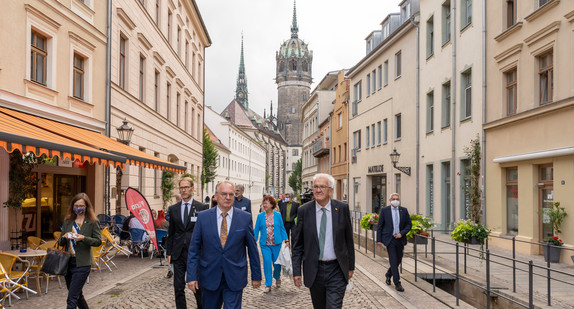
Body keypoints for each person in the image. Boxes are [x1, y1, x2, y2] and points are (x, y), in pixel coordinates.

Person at [187, 181, 262, 308]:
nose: (228, 197)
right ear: (215, 196)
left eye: (231, 194)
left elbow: (253, 249)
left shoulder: (244, 218)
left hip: (235, 276)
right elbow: (194, 249)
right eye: (224, 194)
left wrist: (256, 276)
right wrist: (191, 276)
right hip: (209, 276)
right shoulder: (203, 217)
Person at [292, 173, 355, 309]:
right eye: (315, 187)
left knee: (333, 306)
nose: (318, 190)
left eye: (322, 187)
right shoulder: (304, 211)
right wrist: (296, 272)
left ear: (330, 190)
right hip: (315, 270)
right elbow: (297, 245)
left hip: (336, 269)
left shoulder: (342, 209)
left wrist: (351, 266)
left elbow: (348, 240)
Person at [165, 177, 207, 309]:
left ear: (192, 189)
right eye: (181, 188)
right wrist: (169, 251)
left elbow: (206, 233)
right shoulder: (173, 209)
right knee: (178, 287)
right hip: (178, 253)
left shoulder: (202, 207)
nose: (183, 190)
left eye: (186, 187)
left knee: (197, 286)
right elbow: (171, 233)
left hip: (195, 253)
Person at [58, 193, 102, 309]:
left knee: (72, 298)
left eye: (81, 205)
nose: (78, 208)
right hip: (68, 263)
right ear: (72, 206)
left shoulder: (92, 221)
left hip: (82, 264)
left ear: (86, 206)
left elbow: (98, 241)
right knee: (78, 295)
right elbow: (60, 243)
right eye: (76, 205)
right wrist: (64, 237)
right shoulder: (68, 221)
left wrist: (83, 238)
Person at [376, 193, 412, 292]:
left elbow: (409, 224)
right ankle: (397, 283)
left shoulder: (403, 210)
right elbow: (380, 226)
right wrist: (378, 239)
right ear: (390, 200)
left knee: (398, 261)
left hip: (400, 239)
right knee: (393, 260)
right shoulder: (384, 210)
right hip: (389, 239)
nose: (395, 200)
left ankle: (388, 274)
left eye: (397, 199)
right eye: (393, 199)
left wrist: (402, 233)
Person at [254, 195, 289, 293]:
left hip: (277, 244)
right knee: (267, 263)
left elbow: (282, 228)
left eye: (266, 203)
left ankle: (277, 277)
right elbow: (256, 230)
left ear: (272, 205)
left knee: (277, 265)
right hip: (265, 245)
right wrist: (253, 241)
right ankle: (268, 284)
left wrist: (286, 240)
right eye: (263, 203)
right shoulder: (260, 216)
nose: (264, 205)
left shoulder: (277, 215)